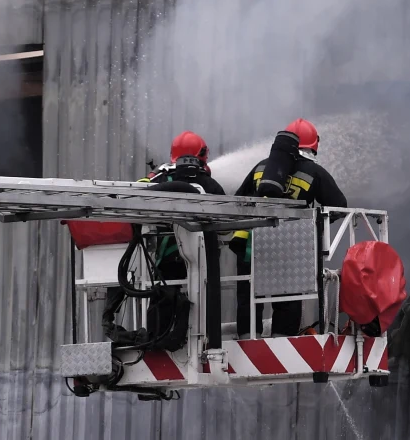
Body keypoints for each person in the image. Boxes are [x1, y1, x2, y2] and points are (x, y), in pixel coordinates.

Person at [231, 118, 347, 338]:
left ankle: (246, 340)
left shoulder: (261, 168)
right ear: (313, 145)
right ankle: (281, 340)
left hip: (252, 246)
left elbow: (238, 201)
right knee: (287, 298)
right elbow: (339, 207)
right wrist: (315, 224)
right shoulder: (313, 172)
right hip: (289, 248)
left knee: (247, 294)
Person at [139, 131, 226, 282]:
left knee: (166, 295)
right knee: (206, 296)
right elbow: (225, 227)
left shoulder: (162, 179)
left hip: (167, 258)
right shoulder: (210, 184)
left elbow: (137, 194)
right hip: (204, 258)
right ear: (202, 153)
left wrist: (153, 174)